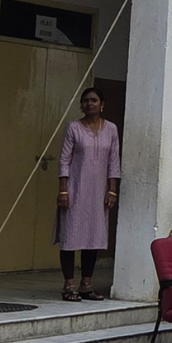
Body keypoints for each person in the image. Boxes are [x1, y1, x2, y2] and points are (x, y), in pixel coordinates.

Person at [55, 87, 121, 302]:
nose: (89, 104)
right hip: (75, 189)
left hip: (99, 193)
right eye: (85, 101)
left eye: (93, 100)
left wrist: (112, 190)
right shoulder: (73, 128)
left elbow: (114, 161)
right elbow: (64, 159)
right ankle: (69, 285)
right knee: (70, 236)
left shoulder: (111, 129)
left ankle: (86, 285)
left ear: (102, 105)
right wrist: (63, 190)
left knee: (93, 237)